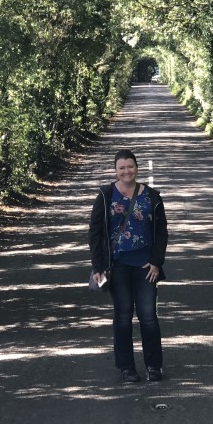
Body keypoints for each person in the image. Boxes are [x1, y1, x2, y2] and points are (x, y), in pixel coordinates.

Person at [89, 148, 168, 383]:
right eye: (122, 167)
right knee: (123, 316)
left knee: (148, 316)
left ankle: (154, 366)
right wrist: (98, 266)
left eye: (130, 166)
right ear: (115, 170)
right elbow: (95, 233)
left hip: (146, 266)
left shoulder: (152, 196)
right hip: (118, 265)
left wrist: (156, 261)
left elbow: (162, 232)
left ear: (137, 168)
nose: (127, 171)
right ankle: (127, 368)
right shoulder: (105, 196)